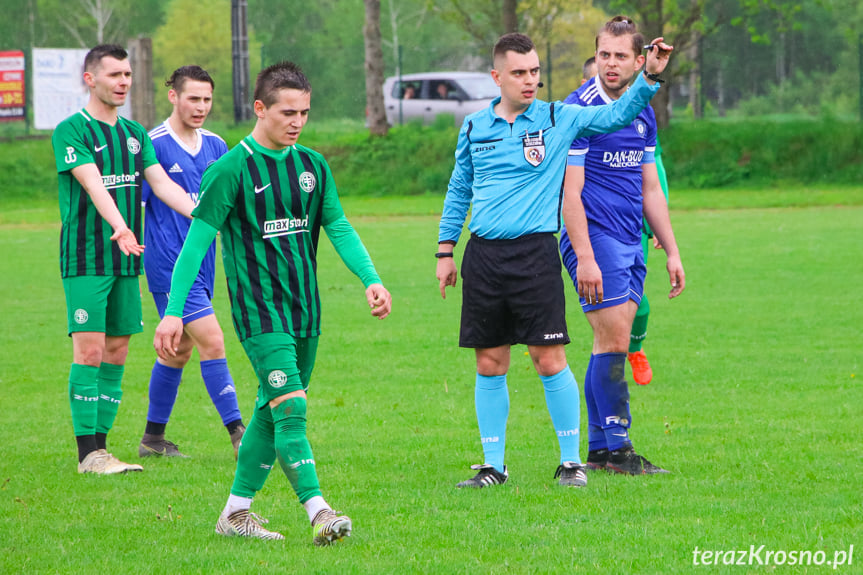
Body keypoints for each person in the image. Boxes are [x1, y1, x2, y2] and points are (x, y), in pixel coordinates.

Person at [153, 61, 392, 544]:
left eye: (304, 112)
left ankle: (235, 513)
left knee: (270, 407)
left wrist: (371, 278)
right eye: (287, 112)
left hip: (306, 309)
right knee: (291, 407)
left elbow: (338, 227)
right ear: (260, 109)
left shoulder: (312, 166)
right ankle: (319, 510)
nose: (297, 122)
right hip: (259, 313)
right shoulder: (230, 169)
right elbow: (195, 244)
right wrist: (174, 310)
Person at [436, 32, 672, 489]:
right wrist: (446, 250)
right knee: (489, 362)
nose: (530, 81)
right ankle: (493, 467)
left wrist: (649, 77)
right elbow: (459, 189)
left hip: (535, 254)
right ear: (497, 76)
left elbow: (614, 114)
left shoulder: (557, 117)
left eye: (536, 72)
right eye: (520, 73)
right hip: (483, 256)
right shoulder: (474, 126)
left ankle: (570, 462)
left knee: (549, 359)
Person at [52, 44, 196, 474]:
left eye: (128, 75)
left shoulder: (134, 134)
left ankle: (103, 449)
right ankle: (88, 454)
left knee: (116, 352)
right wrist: (121, 225)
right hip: (87, 258)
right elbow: (95, 185)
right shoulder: (71, 130)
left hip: (126, 259)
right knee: (91, 352)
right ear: (90, 79)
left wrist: (206, 213)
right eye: (114, 75)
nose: (123, 82)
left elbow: (162, 184)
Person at [559, 16, 685, 475]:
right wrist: (586, 255)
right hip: (595, 238)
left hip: (631, 238)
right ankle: (621, 447)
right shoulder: (580, 111)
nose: (610, 64)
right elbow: (569, 193)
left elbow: (651, 188)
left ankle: (600, 448)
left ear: (638, 61)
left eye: (620, 57)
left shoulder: (643, 111)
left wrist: (670, 249)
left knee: (610, 340)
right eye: (604, 55)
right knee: (612, 338)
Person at [139, 66, 245, 459]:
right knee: (212, 340)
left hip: (204, 266)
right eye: (193, 99)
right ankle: (239, 434)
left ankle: (152, 439)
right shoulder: (155, 145)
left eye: (207, 99)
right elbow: (139, 208)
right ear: (173, 97)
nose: (201, 107)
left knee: (178, 351)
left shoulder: (217, 146)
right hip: (168, 264)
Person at [582, 53, 671, 387]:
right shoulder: (582, 120)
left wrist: (659, 225)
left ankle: (634, 349)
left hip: (634, 226)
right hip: (596, 230)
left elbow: (654, 173)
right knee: (609, 327)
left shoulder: (640, 119)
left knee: (640, 305)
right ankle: (609, 424)